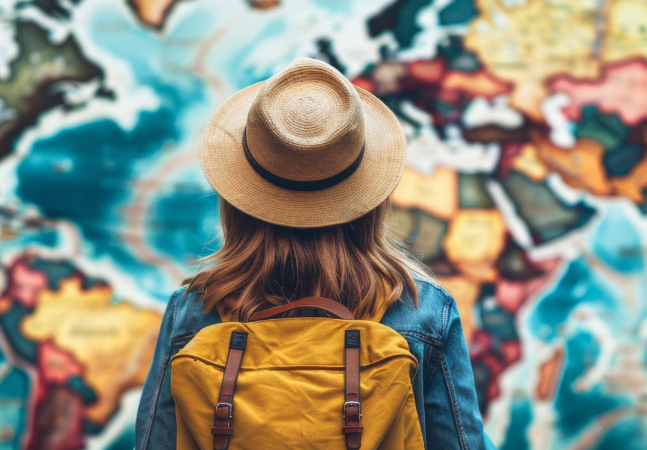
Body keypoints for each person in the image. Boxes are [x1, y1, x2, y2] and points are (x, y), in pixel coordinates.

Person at [134, 58, 494, 450]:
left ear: (239, 201)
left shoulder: (194, 312)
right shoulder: (421, 311)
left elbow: (155, 442)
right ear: (368, 200)